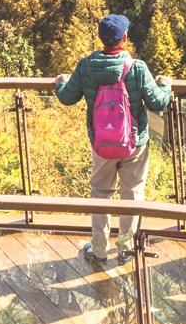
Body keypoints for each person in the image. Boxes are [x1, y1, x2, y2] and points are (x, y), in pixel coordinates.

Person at [54, 13, 173, 265]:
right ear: (125, 38)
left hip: (101, 142)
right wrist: (166, 84)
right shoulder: (137, 68)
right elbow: (158, 102)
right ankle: (126, 249)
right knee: (131, 193)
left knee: (100, 193)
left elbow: (67, 97)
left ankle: (99, 250)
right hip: (134, 143)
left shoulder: (86, 66)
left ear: (102, 39)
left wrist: (59, 82)